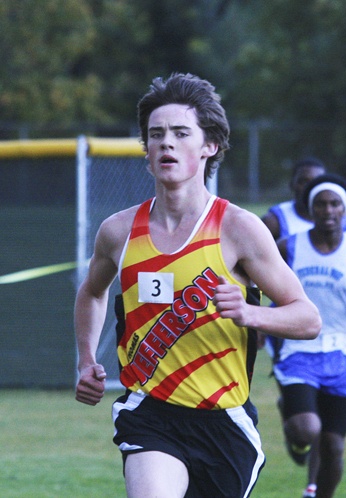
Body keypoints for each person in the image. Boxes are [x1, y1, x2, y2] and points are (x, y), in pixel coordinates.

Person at [74, 72, 321, 498]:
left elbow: (308, 318)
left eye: (180, 133)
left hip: (223, 421)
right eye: (156, 135)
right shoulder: (118, 232)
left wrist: (249, 313)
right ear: (146, 152)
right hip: (150, 413)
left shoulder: (239, 229)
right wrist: (85, 361)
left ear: (210, 146)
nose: (166, 142)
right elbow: (93, 292)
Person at [268, 174, 346, 498]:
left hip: (341, 356)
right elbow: (259, 283)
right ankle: (291, 422)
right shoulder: (288, 247)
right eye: (321, 204)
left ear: (344, 210)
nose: (328, 210)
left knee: (333, 447)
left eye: (335, 204)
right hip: (296, 351)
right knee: (307, 429)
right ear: (311, 208)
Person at [261, 157, 326, 240]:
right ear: (292, 184)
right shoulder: (274, 221)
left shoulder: (343, 223)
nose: (310, 187)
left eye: (317, 182)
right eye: (304, 181)